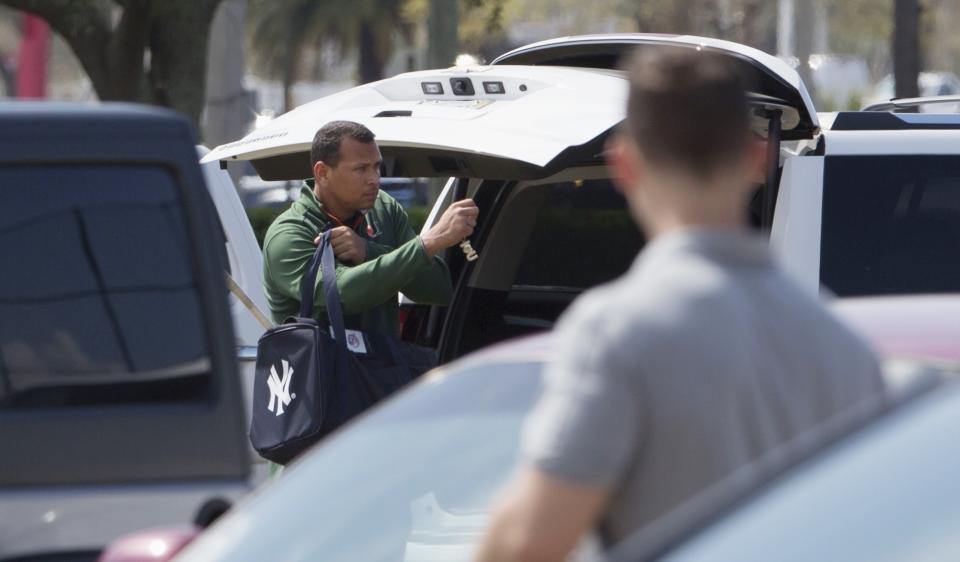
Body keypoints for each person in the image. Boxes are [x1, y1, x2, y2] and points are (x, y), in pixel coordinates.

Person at [474, 49, 884, 562]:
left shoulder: (618, 330)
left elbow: (528, 542)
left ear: (625, 164)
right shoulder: (843, 345)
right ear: (757, 158)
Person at [262, 120, 478, 334]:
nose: (374, 179)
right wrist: (429, 243)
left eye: (376, 167)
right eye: (360, 169)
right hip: (322, 368)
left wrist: (368, 251)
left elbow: (438, 290)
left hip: (385, 366)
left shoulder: (384, 208)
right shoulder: (288, 233)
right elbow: (341, 295)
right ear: (322, 173)